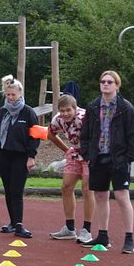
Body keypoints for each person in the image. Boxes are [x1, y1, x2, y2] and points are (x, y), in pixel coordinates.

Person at [79, 70, 134, 253]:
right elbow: (86, 133)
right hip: (98, 158)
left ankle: (129, 237)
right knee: (100, 196)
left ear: (117, 85)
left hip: (119, 159)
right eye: (103, 81)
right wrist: (87, 153)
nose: (105, 84)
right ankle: (103, 235)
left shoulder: (125, 108)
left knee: (122, 196)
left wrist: (128, 158)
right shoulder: (93, 107)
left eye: (109, 82)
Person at [0, 75, 39, 238]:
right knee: (8, 190)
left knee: (16, 190)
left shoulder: (28, 112)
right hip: (4, 155)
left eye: (14, 95)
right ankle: (12, 222)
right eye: (8, 95)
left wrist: (31, 156)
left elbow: (34, 136)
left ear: (20, 94)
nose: (11, 98)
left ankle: (19, 225)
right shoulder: (1, 112)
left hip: (21, 156)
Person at [47, 94, 94, 244]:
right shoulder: (58, 119)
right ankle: (69, 228)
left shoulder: (84, 118)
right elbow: (50, 133)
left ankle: (86, 230)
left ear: (75, 108)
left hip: (91, 154)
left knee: (87, 189)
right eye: (62, 110)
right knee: (66, 187)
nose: (65, 113)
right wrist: (66, 149)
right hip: (75, 153)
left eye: (68, 110)